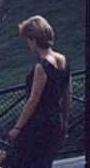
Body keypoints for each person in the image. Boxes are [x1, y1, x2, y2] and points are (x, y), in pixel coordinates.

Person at [5, 16, 71, 168]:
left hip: (38, 123)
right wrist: (64, 121)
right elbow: (68, 94)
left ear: (34, 39)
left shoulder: (42, 66)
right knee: (46, 161)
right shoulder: (64, 60)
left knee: (28, 162)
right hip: (55, 119)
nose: (28, 44)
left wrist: (18, 128)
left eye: (28, 40)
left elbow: (34, 100)